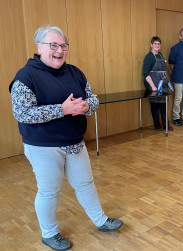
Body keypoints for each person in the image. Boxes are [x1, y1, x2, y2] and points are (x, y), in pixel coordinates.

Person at [9, 26, 123, 251]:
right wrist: (62, 109)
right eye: (53, 45)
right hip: (43, 146)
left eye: (63, 46)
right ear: (39, 47)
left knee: (85, 184)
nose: (59, 50)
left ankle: (100, 220)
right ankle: (49, 233)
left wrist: (87, 105)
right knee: (49, 191)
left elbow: (94, 98)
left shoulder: (75, 72)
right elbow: (22, 113)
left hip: (75, 142)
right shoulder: (26, 75)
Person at [143, 36, 173, 131]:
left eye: (159, 44)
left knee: (164, 104)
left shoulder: (160, 55)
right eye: (155, 43)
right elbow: (145, 73)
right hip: (154, 84)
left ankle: (166, 124)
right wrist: (152, 86)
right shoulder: (149, 57)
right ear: (151, 45)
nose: (157, 45)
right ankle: (157, 124)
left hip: (163, 83)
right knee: (155, 105)